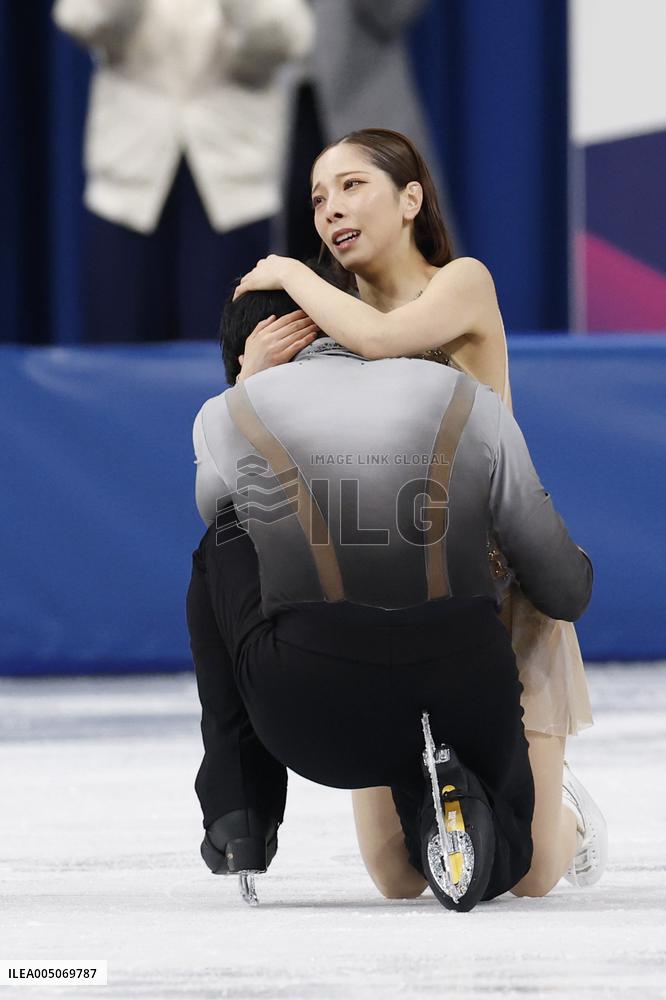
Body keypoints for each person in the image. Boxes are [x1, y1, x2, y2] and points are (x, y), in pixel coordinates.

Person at [232, 128, 605, 897]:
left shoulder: (459, 282)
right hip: (380, 596)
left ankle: (562, 813)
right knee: (397, 876)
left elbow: (382, 339)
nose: (331, 209)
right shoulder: (322, 322)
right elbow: (266, 462)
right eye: (316, 198)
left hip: (499, 589)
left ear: (410, 199)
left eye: (351, 186)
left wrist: (286, 274)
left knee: (529, 872)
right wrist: (252, 378)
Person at [52, 0, 314, 341]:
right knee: (118, 353)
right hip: (129, 183)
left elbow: (286, 39)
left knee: (226, 357)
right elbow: (82, 19)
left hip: (233, 183)